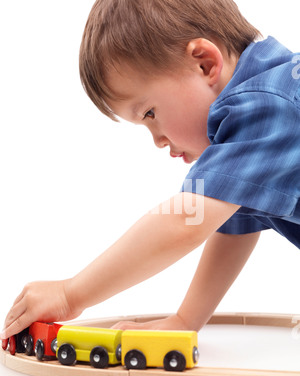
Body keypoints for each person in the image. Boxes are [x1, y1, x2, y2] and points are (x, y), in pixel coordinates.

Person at [1, 0, 299, 339]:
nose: (157, 139)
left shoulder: (268, 106)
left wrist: (71, 294)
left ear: (204, 64)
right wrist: (186, 320)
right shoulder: (265, 116)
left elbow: (185, 219)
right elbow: (235, 228)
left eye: (149, 114)